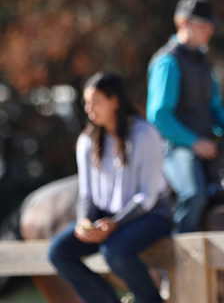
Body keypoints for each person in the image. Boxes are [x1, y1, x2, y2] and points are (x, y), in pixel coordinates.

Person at [48, 72, 172, 303]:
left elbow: (147, 197)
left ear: (115, 101)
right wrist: (84, 221)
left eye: (95, 102)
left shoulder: (146, 134)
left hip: (151, 215)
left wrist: (115, 223)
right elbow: (87, 193)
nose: (88, 108)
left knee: (113, 251)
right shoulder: (86, 142)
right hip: (106, 218)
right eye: (86, 103)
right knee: (58, 252)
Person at [147, 0, 224, 233]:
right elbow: (160, 116)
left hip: (205, 143)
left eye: (210, 26)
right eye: (204, 25)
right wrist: (194, 143)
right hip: (175, 147)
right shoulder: (167, 62)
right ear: (184, 23)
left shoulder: (202, 62)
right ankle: (175, 259)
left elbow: (213, 105)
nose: (209, 31)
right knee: (193, 195)